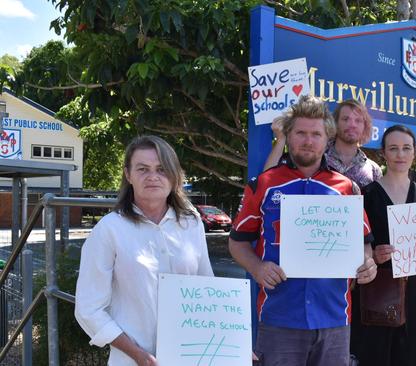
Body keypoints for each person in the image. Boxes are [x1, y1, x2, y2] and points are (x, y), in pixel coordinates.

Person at [229, 95, 378, 366]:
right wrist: (257, 268)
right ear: (288, 135)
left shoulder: (346, 188)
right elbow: (237, 242)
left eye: (316, 134)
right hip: (279, 318)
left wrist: (368, 263)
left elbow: (365, 243)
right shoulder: (263, 184)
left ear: (326, 138)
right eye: (300, 133)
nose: (308, 141)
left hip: (335, 318)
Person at [75, 135, 214, 366]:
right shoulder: (110, 229)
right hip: (131, 361)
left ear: (174, 176)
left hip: (191, 357)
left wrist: (232, 341)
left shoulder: (192, 224)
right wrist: (139, 355)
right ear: (128, 175)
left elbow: (207, 289)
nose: (153, 177)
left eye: (162, 169)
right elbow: (89, 310)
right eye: (142, 169)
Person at [355, 124, 416, 366]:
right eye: (393, 148)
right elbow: (355, 250)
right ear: (383, 153)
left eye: (406, 148)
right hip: (377, 294)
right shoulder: (366, 196)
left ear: (415, 152)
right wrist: (373, 255)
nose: (400, 155)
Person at [263, 98, 382, 188]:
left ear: (365, 126)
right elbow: (268, 181)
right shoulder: (312, 152)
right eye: (346, 119)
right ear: (334, 123)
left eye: (358, 120)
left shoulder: (373, 170)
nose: (352, 125)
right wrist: (281, 140)